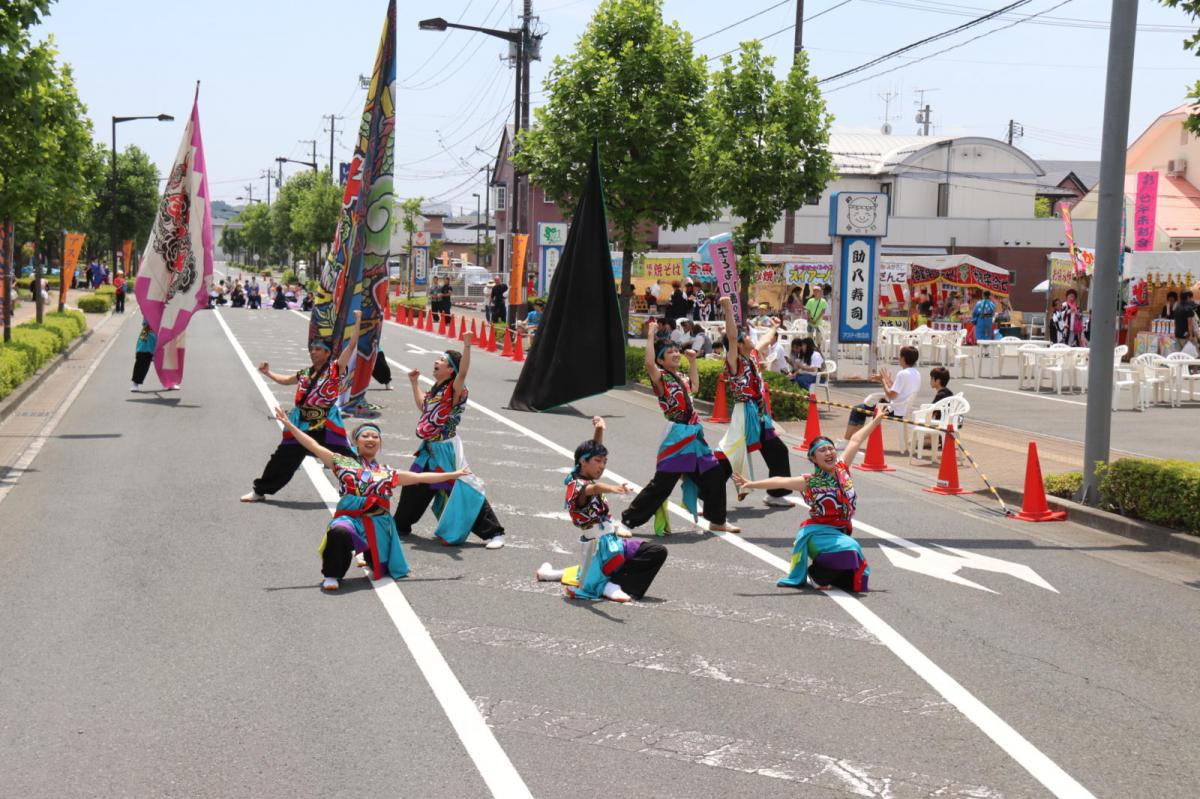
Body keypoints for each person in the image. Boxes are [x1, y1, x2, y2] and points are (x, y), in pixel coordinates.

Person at [271, 411, 471, 591]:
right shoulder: (342, 463)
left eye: (375, 437)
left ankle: (369, 556)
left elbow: (420, 477)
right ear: (356, 442)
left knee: (380, 569)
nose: (371, 439)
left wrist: (454, 473)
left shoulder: (387, 472)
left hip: (377, 525)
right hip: (350, 519)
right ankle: (332, 574)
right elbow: (313, 445)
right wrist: (289, 425)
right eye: (365, 436)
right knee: (339, 531)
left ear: (380, 443)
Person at [732, 408, 887, 593]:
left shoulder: (842, 468)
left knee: (855, 580)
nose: (829, 452)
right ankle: (816, 574)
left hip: (840, 531)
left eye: (830, 448)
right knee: (851, 548)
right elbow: (780, 481)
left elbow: (855, 439)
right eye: (822, 450)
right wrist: (751, 484)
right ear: (813, 458)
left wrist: (876, 420)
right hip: (818, 534)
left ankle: (826, 571)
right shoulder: (810, 482)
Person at [620, 324, 740, 536]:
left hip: (694, 436)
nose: (676, 354)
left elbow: (694, 387)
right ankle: (627, 521)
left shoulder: (681, 377)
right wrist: (650, 335)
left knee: (715, 474)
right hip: (677, 437)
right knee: (663, 484)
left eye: (676, 350)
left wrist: (693, 362)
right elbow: (648, 363)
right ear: (661, 360)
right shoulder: (660, 379)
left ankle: (717, 520)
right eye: (670, 352)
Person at [393, 332, 507, 548]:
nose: (436, 362)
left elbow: (463, 371)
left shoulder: (455, 389)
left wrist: (467, 345)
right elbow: (423, 406)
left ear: (451, 369)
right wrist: (414, 382)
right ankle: (400, 525)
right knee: (414, 485)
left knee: (462, 489)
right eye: (438, 359)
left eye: (442, 360)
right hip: (428, 449)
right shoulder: (436, 389)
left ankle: (495, 533)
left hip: (446, 450)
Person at [536, 417, 668, 602]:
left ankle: (552, 574)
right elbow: (592, 490)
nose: (602, 466)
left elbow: (594, 451)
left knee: (656, 551)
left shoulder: (586, 474)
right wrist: (614, 488)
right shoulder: (576, 486)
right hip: (598, 547)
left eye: (605, 461)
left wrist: (600, 429)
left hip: (611, 542)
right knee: (597, 568)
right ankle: (612, 586)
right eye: (598, 461)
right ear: (583, 461)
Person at [241, 312, 363, 502]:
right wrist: (268, 373)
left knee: (346, 459)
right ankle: (260, 490)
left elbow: (352, 345)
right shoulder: (305, 373)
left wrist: (357, 321)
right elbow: (286, 380)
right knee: (282, 458)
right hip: (303, 425)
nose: (313, 351)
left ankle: (364, 490)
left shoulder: (335, 369)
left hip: (326, 425)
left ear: (327, 353)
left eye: (318, 349)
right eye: (312, 348)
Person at [715, 296, 793, 507]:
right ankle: (706, 492)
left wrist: (775, 327)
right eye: (746, 336)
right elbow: (731, 337)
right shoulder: (736, 362)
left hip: (759, 413)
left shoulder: (752, 357)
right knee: (730, 455)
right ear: (739, 344)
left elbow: (766, 339)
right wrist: (728, 309)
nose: (750, 338)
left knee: (777, 450)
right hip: (744, 412)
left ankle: (776, 493)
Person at [845, 345, 921, 439]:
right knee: (862, 409)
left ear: (903, 358)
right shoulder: (916, 373)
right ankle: (853, 439)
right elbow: (900, 391)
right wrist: (887, 381)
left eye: (899, 356)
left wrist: (883, 381)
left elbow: (891, 395)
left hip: (894, 409)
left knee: (857, 409)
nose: (898, 358)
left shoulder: (902, 374)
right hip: (902, 408)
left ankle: (848, 440)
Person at [130, 321, 157, 392]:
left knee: (168, 359)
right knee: (141, 355)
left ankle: (171, 381)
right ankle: (135, 383)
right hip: (147, 330)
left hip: (164, 330)